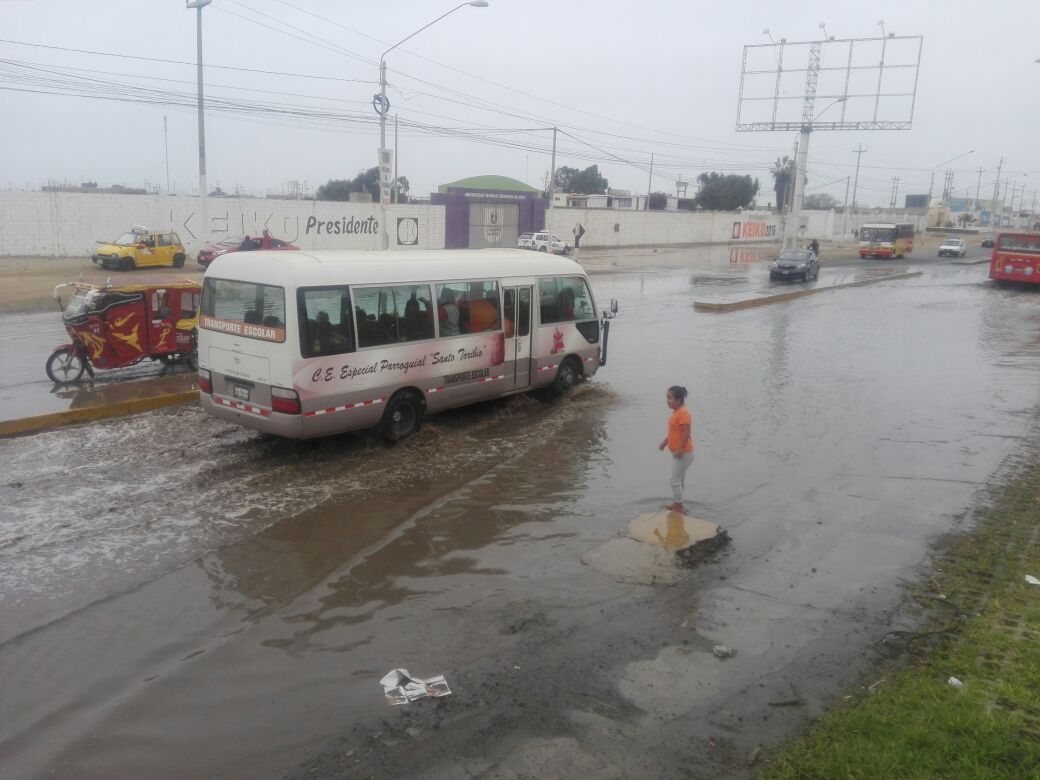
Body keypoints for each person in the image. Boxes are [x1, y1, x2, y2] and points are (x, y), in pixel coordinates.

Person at [658, 385, 694, 514]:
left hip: (684, 452)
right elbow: (674, 432)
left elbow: (686, 432)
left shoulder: (683, 413)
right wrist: (665, 442)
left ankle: (678, 507)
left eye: (670, 398)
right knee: (679, 480)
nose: (667, 400)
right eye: (667, 397)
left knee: (674, 480)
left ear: (679, 400)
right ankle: (678, 503)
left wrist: (680, 448)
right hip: (678, 452)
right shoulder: (675, 413)